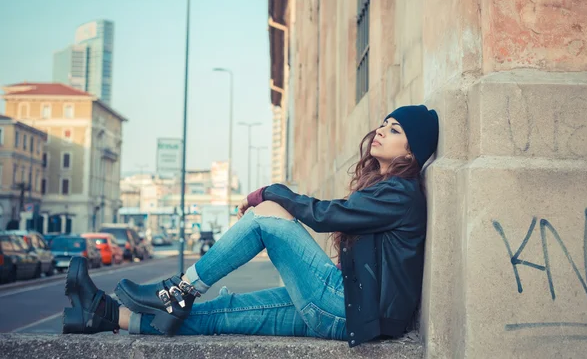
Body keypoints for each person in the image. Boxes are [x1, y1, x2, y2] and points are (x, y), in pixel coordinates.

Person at [62, 105, 439, 348]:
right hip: (351, 310)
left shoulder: (400, 193)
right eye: (384, 123)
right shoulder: (388, 190)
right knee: (227, 311)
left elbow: (326, 215)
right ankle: (104, 314)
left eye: (395, 130)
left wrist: (266, 192)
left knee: (267, 214)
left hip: (348, 308)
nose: (381, 130)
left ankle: (180, 289)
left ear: (410, 152)